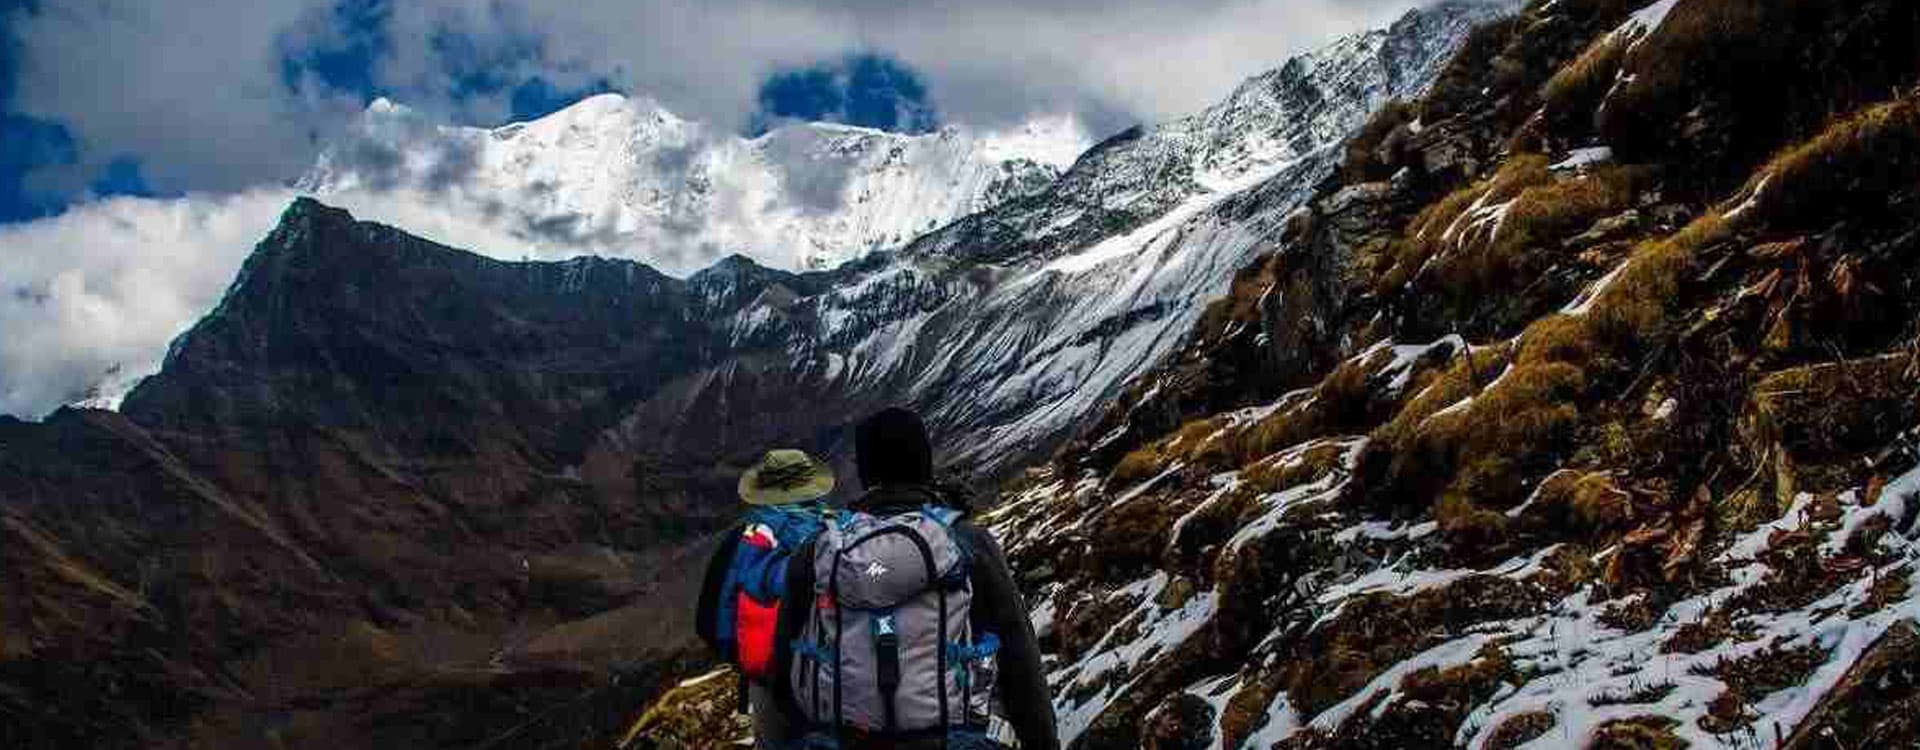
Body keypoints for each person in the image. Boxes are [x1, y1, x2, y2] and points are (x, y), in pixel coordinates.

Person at [773, 408, 1059, 750]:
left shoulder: (818, 551)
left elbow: (783, 670)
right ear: (925, 464)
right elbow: (1019, 661)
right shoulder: (966, 542)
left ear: (865, 473)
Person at [696, 449, 838, 750]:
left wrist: (741, 659)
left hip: (767, 676)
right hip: (828, 670)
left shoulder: (744, 539)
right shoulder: (837, 530)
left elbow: (712, 617)